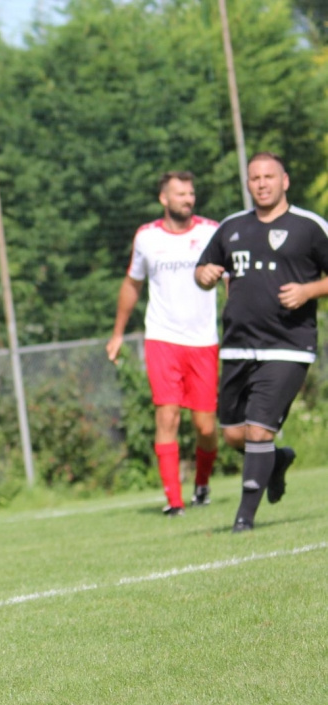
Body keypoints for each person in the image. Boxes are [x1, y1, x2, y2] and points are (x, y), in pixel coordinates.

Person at [194, 152, 328, 532]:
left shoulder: (309, 226)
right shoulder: (232, 226)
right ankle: (277, 460)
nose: (262, 183)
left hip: (288, 344)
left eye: (269, 176)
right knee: (234, 434)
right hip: (237, 346)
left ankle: (244, 519)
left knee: (258, 430)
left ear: (285, 181)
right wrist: (204, 275)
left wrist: (308, 291)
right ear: (248, 183)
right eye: (255, 178)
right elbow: (203, 271)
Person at [106, 172, 220, 516]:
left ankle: (202, 484)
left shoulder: (211, 232)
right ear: (164, 199)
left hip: (203, 340)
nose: (188, 199)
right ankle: (174, 501)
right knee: (167, 416)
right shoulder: (147, 237)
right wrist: (117, 333)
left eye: (191, 193)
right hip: (162, 339)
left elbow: (231, 279)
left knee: (205, 426)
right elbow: (132, 284)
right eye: (180, 193)